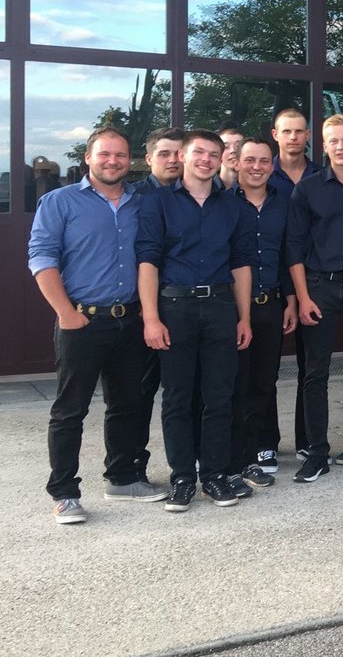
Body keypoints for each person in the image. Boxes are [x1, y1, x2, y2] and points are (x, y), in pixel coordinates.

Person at [30, 127, 166, 524]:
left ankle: (122, 478)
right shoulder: (60, 202)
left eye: (120, 155)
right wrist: (66, 314)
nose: (113, 161)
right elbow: (42, 258)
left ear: (130, 160)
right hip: (82, 321)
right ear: (88, 158)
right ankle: (64, 493)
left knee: (126, 404)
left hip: (129, 320)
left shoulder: (141, 203)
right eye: (105, 154)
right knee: (70, 409)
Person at [137, 129, 256, 512]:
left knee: (219, 396)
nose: (206, 160)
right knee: (177, 397)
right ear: (183, 156)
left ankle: (215, 475)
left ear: (221, 160)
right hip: (175, 308)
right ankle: (183, 478)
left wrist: (244, 317)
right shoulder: (157, 202)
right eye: (199, 152)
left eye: (213, 154)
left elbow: (241, 264)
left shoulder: (232, 206)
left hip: (220, 306)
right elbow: (148, 262)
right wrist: (151, 318)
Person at [286, 114, 343, 483]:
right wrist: (303, 297)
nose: (341, 147)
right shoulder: (307, 189)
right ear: (323, 146)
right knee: (315, 373)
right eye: (333, 141)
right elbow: (294, 247)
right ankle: (317, 453)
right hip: (319, 288)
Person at [227, 136, 297, 495]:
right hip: (232, 308)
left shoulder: (283, 204)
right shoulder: (223, 203)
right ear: (237, 162)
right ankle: (236, 454)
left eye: (264, 161)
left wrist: (291, 301)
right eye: (250, 160)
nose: (257, 167)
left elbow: (288, 256)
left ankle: (262, 445)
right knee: (234, 382)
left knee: (265, 380)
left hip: (271, 304)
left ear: (273, 165)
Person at [268, 107, 320, 471]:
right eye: (287, 131)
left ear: (308, 135)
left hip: (312, 283)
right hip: (271, 284)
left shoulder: (321, 175)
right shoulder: (260, 173)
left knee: (310, 367)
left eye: (299, 131)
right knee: (265, 371)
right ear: (276, 135)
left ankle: (307, 439)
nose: (293, 137)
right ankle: (266, 442)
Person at [132, 126, 183, 482]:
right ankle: (133, 464)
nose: (173, 160)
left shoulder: (197, 196)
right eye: (164, 153)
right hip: (142, 309)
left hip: (183, 306)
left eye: (179, 153)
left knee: (183, 390)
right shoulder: (133, 198)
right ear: (149, 158)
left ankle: (190, 459)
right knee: (140, 391)